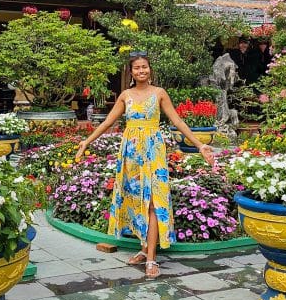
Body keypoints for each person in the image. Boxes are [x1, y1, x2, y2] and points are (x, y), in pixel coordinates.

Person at [75, 53, 214, 280]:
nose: (142, 71)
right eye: (137, 68)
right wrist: (86, 141)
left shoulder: (159, 94)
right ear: (131, 72)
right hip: (130, 155)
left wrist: (199, 144)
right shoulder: (125, 96)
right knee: (136, 199)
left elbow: (177, 121)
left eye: (145, 67)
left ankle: (151, 258)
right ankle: (143, 248)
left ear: (150, 70)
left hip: (153, 152)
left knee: (152, 202)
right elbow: (109, 121)